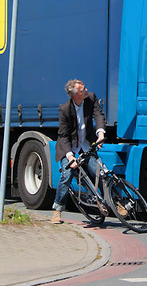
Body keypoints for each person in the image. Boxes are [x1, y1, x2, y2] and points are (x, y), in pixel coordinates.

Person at [51, 79, 106, 224]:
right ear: (75, 95)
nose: (86, 90)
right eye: (83, 90)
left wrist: (100, 132)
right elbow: (63, 136)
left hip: (86, 145)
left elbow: (98, 114)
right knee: (67, 175)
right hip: (69, 148)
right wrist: (70, 157)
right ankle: (57, 210)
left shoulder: (91, 98)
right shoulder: (65, 109)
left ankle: (112, 202)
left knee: (99, 173)